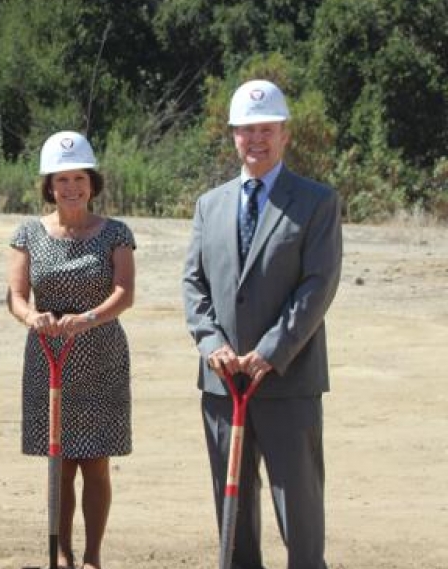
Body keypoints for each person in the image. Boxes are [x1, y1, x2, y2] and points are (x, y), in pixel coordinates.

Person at [182, 79, 342, 569]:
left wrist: (271, 352)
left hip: (287, 380)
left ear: (285, 134)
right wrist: (212, 342)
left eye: (266, 129)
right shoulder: (210, 204)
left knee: (300, 515)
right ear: (232, 136)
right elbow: (194, 284)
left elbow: (318, 286)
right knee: (232, 514)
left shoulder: (316, 201)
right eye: (246, 130)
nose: (256, 139)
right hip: (223, 381)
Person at [6, 131, 136, 569]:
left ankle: (93, 557)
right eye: (61, 179)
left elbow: (125, 292)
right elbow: (16, 295)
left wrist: (89, 318)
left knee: (96, 462)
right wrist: (31, 317)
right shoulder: (28, 232)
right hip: (48, 356)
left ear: (92, 181)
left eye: (78, 177)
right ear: (49, 185)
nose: (71, 188)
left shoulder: (116, 232)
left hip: (100, 354)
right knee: (58, 462)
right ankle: (60, 554)